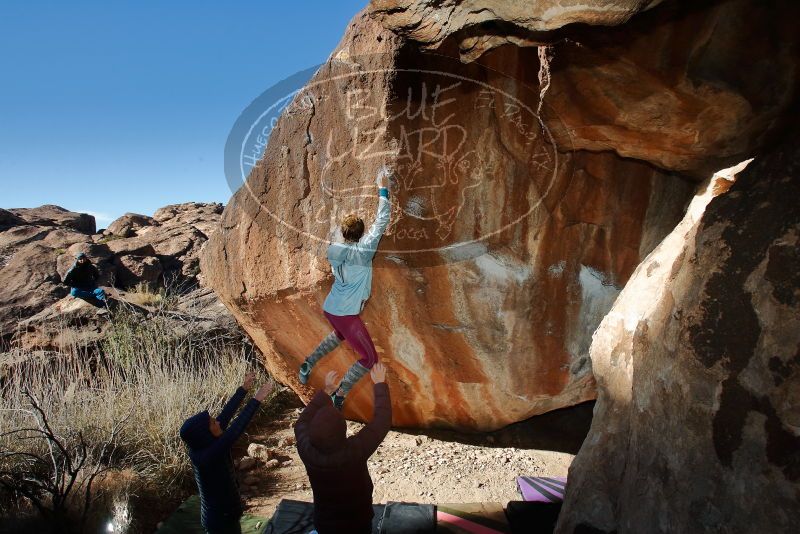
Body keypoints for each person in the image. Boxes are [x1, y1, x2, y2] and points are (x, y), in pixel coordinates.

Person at [298, 165, 393, 410]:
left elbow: (341, 234)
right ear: (361, 235)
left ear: (343, 233)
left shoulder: (334, 249)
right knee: (370, 358)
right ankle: (340, 394)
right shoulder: (362, 253)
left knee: (340, 334)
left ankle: (308, 363)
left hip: (332, 308)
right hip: (346, 313)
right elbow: (381, 223)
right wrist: (383, 189)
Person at [295, 363, 391, 534]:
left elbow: (301, 423)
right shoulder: (352, 453)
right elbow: (382, 421)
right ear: (342, 432)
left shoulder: (306, 450)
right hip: (357, 524)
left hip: (325, 523)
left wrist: (326, 392)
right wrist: (379, 384)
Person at [180, 372, 273, 534]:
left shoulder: (204, 443)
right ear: (205, 434)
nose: (217, 421)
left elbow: (225, 415)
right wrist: (256, 399)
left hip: (225, 515)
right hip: (220, 522)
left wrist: (243, 389)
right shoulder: (207, 456)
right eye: (212, 422)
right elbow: (235, 431)